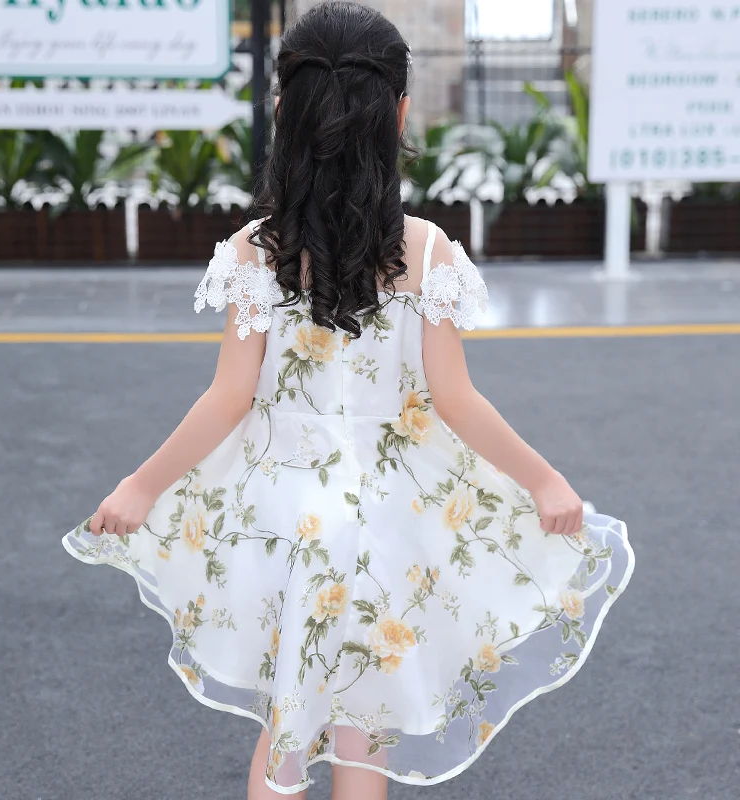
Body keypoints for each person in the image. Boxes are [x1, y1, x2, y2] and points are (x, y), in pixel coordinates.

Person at [62, 2, 634, 797]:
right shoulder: (425, 249)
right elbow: (456, 399)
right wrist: (543, 480)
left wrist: (140, 486)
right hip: (389, 523)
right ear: (398, 114)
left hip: (282, 519)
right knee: (363, 731)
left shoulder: (255, 251)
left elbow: (227, 399)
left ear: (283, 113)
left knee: (286, 731)